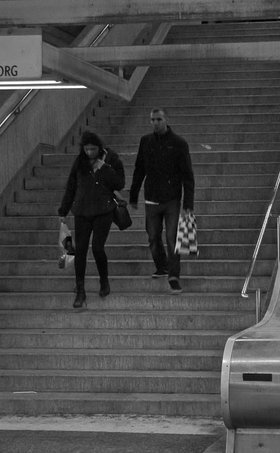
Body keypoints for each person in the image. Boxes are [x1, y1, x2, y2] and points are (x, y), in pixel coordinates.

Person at [129, 107, 195, 293]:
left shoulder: (178, 143)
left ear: (166, 120)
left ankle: (173, 275)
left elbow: (187, 175)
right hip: (152, 197)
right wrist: (133, 194)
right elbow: (139, 168)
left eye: (158, 119)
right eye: (152, 120)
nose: (155, 123)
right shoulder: (146, 141)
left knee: (172, 238)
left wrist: (188, 203)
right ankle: (162, 265)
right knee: (153, 236)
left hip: (172, 198)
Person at [58, 131, 126, 308]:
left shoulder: (111, 159)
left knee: (97, 247)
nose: (89, 153)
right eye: (86, 149)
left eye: (93, 149)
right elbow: (71, 186)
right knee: (80, 251)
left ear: (99, 148)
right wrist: (63, 209)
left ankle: (104, 280)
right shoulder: (79, 162)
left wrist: (104, 167)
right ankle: (80, 290)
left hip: (103, 210)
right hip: (82, 210)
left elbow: (119, 183)